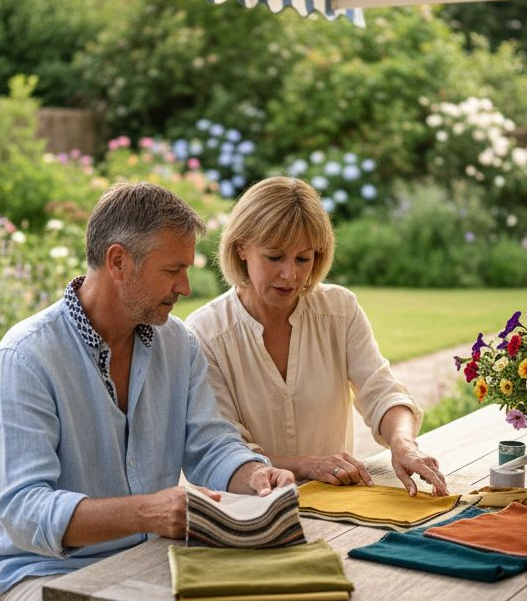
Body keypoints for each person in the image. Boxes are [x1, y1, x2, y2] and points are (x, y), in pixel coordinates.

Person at [0, 182, 296, 601]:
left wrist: (253, 473)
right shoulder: (28, 358)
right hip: (34, 575)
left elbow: (210, 445)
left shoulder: (177, 344)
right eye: (173, 269)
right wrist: (146, 512)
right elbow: (22, 509)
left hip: (148, 566)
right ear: (118, 261)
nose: (185, 287)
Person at [187, 177, 448, 497]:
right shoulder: (206, 333)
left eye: (303, 258)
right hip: (249, 510)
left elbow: (382, 392)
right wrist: (307, 465)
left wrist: (403, 444)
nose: (291, 274)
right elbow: (224, 449)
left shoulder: (339, 310)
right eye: (274, 257)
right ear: (241, 247)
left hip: (336, 502)